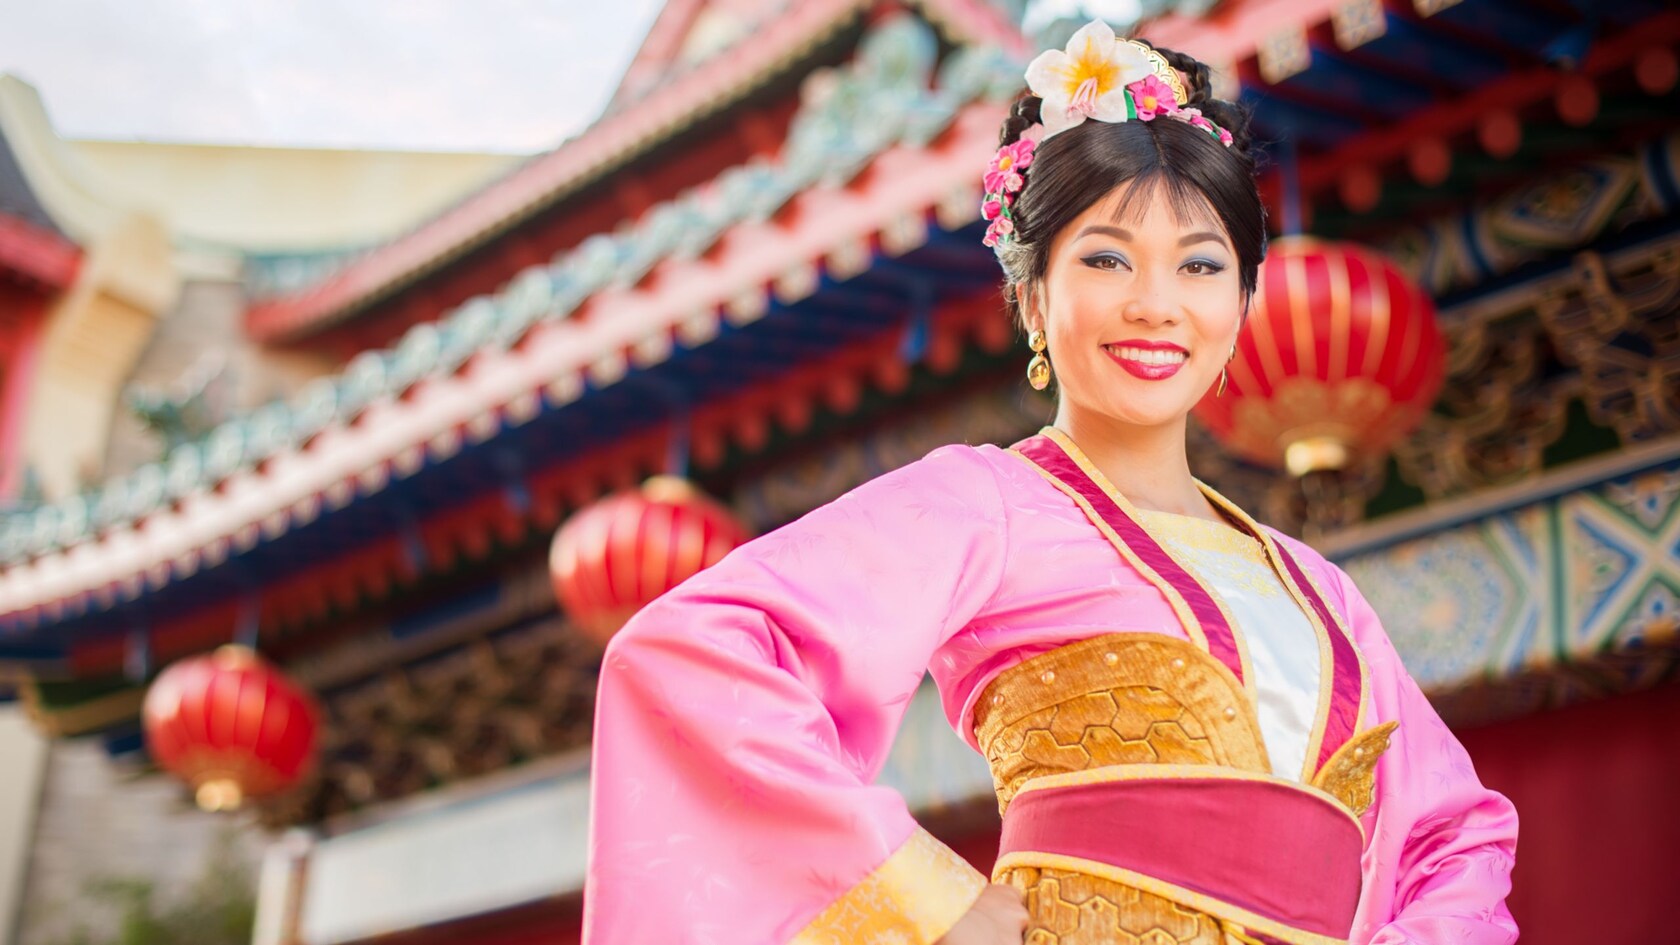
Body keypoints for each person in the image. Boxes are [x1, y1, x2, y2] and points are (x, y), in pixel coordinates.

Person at [583, 21, 1518, 945]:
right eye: (1107, 258)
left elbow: (1455, 830)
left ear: (1239, 304)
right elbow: (689, 649)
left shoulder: (1322, 591)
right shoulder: (985, 505)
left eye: (1200, 264)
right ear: (1033, 296)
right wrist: (926, 896)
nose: (1155, 302)